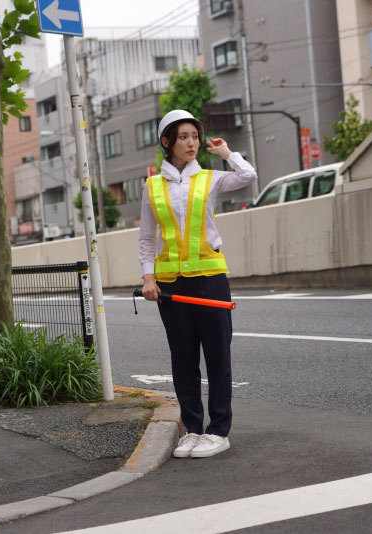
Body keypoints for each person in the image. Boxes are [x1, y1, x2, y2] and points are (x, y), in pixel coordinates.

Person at [138, 109, 257, 458]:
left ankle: (219, 431)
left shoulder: (210, 178)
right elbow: (147, 239)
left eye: (195, 136)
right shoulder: (152, 186)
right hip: (170, 286)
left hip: (209, 280)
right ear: (167, 142)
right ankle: (193, 429)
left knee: (218, 356)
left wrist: (226, 153)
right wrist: (148, 277)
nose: (192, 143)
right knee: (183, 359)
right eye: (184, 137)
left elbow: (248, 175)